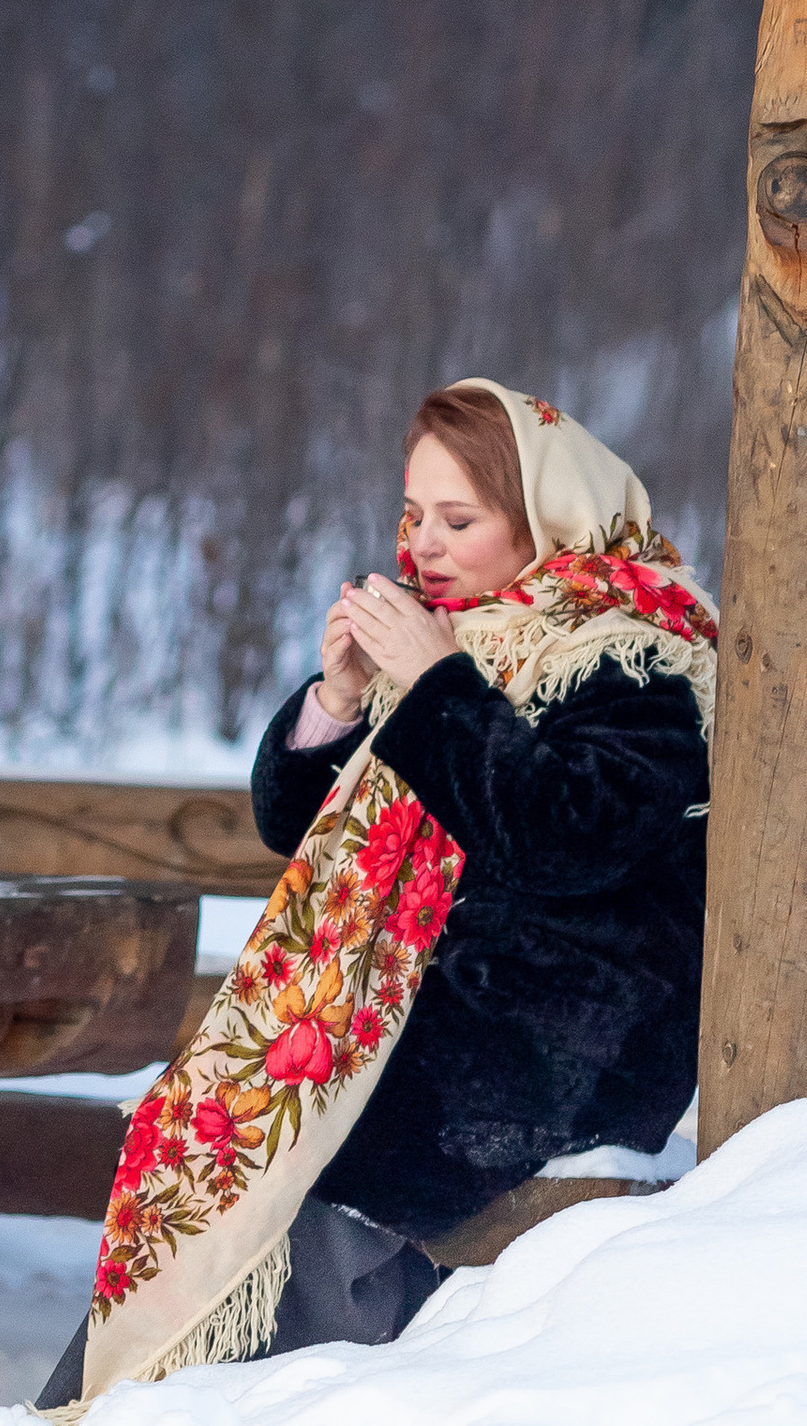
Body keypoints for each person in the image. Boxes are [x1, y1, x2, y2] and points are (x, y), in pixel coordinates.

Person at [39, 379, 714, 1405]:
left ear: (549, 521)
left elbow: (569, 839)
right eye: (412, 515)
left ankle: (267, 1393)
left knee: (317, 1134)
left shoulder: (631, 657)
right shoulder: (461, 640)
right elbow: (294, 825)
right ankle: (141, 1388)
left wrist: (439, 686)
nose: (424, 545)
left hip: (570, 1031)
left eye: (459, 519)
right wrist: (340, 700)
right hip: (456, 998)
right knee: (230, 1108)